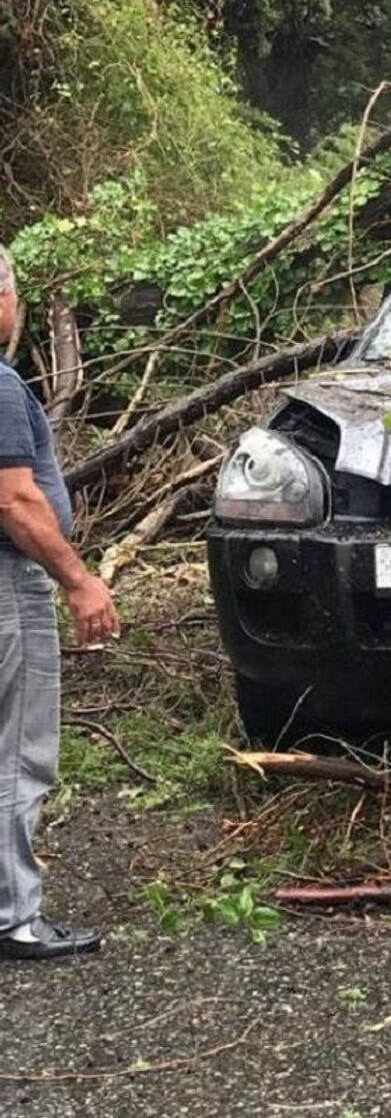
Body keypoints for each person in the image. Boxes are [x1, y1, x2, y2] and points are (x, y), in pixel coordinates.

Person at [0, 245, 121, 960]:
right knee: (17, 750)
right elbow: (15, 500)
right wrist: (79, 582)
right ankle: (13, 913)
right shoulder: (1, 387)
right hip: (8, 587)